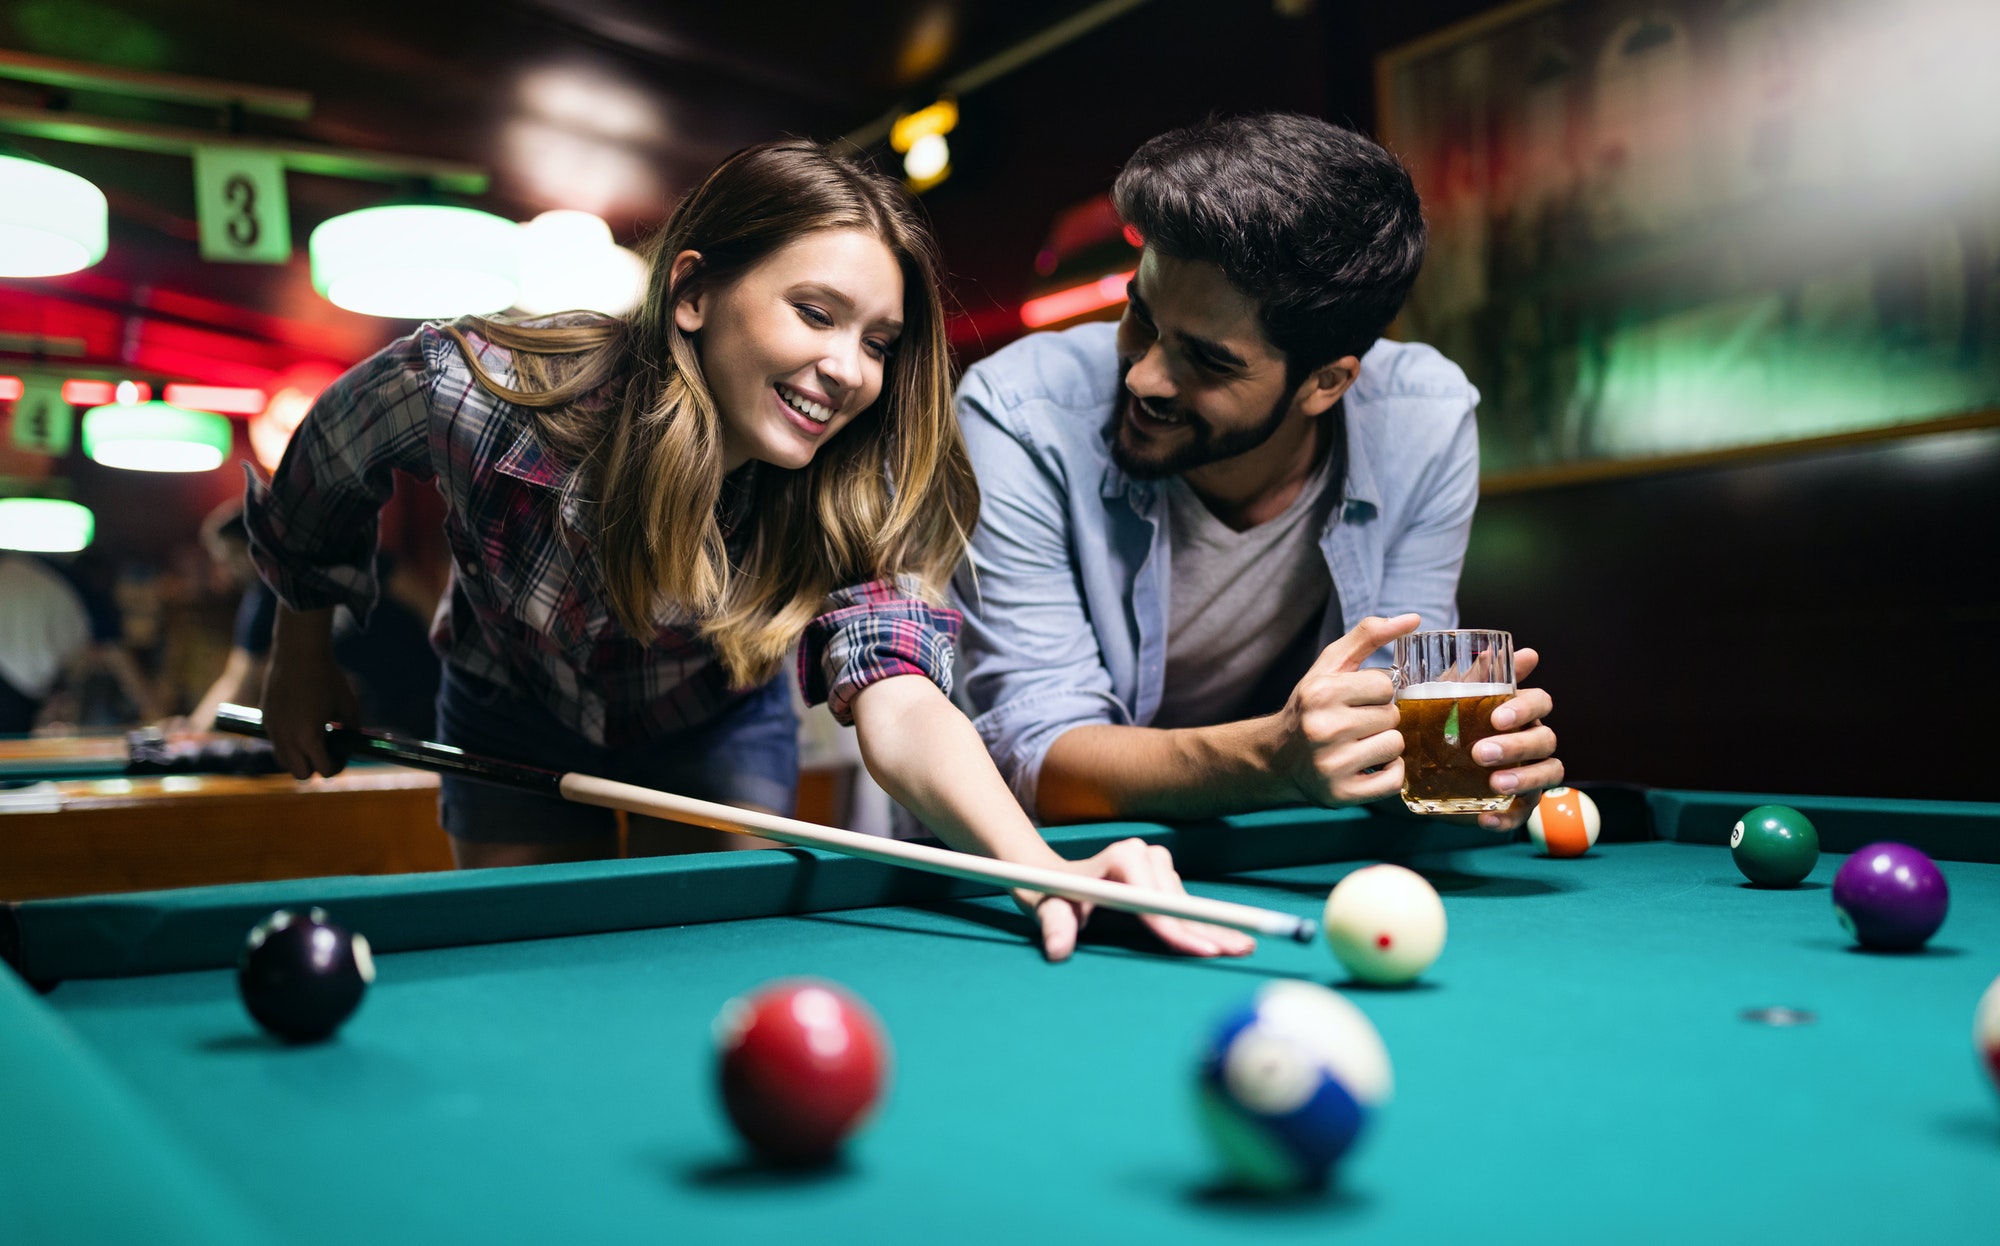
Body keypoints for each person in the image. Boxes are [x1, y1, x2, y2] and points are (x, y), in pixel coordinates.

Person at [248, 140, 1242, 962]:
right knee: (532, 965)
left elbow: (900, 700)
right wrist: (303, 660)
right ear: (692, 293)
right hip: (513, 705)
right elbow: (320, 478)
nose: (849, 370)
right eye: (815, 312)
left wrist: (1042, 869)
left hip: (714, 714)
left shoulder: (859, 480)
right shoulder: (481, 391)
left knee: (714, 959)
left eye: (879, 340)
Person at [951, 114, 1563, 827]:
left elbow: (1389, 709)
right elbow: (1035, 757)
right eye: (1141, 319)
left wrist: (1472, 773)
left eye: (1208, 360)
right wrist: (1275, 758)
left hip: (1280, 846)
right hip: (1046, 858)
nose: (1145, 378)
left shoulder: (1424, 420)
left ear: (1326, 383)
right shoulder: (1020, 412)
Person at [188, 502, 439, 738]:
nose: (228, 569)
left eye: (230, 556)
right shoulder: (262, 598)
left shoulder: (344, 556)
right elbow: (239, 678)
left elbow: (422, 599)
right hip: (375, 713)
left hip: (423, 695)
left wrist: (451, 660)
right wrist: (193, 728)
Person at [0, 551, 161, 733]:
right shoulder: (91, 598)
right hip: (10, 680)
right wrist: (159, 716)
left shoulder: (38, 566)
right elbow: (123, 662)